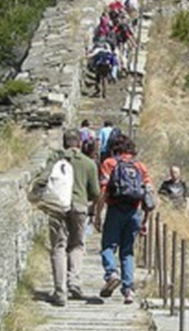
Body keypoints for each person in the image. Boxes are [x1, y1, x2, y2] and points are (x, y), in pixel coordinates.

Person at [37, 130, 99, 306]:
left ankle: (60, 292)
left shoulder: (55, 159)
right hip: (79, 206)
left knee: (58, 246)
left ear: (64, 143)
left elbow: (42, 179)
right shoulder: (88, 163)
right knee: (77, 245)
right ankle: (74, 282)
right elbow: (95, 192)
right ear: (80, 144)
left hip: (57, 206)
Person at [94, 132, 153, 305]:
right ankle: (128, 291)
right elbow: (149, 194)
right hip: (135, 212)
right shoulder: (140, 167)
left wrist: (98, 214)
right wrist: (146, 220)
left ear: (113, 148)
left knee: (108, 246)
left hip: (115, 209)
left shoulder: (109, 163)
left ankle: (111, 273)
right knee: (127, 251)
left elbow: (103, 191)